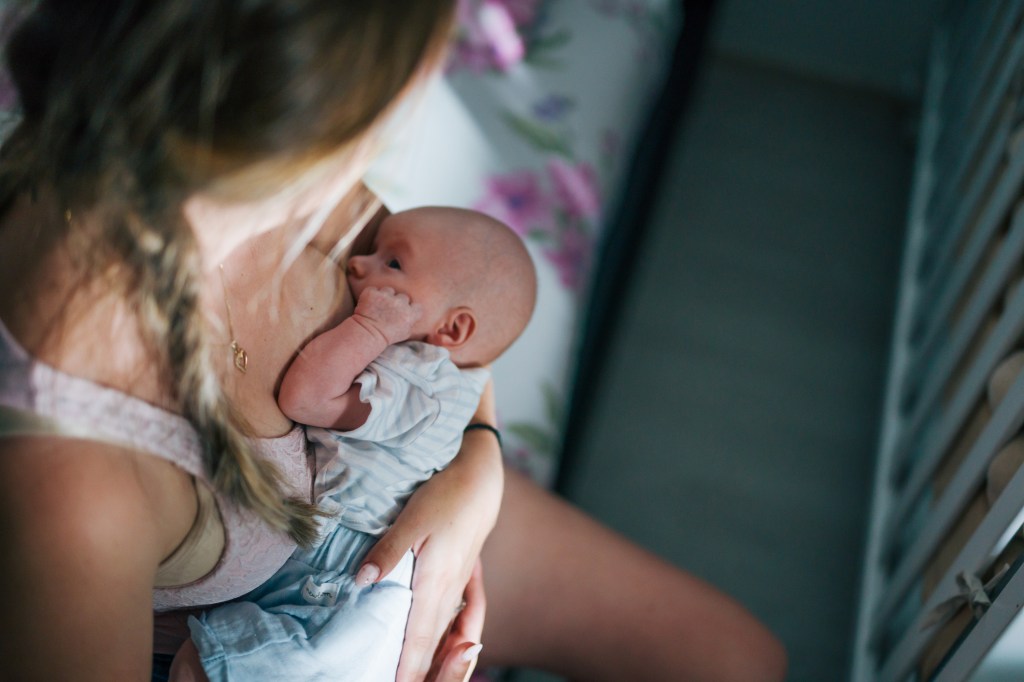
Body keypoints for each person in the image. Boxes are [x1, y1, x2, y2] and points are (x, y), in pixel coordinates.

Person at [0, 2, 788, 682]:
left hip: (406, 497)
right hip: (280, 617)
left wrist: (476, 475)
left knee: (739, 660)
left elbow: (447, 310)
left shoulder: (233, 159)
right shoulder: (73, 489)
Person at [174, 207, 536, 681]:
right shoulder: (448, 374)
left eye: (393, 264)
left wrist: (371, 327)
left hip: (342, 571)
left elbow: (305, 398)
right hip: (358, 567)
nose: (359, 265)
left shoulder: (418, 380)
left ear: (452, 330)